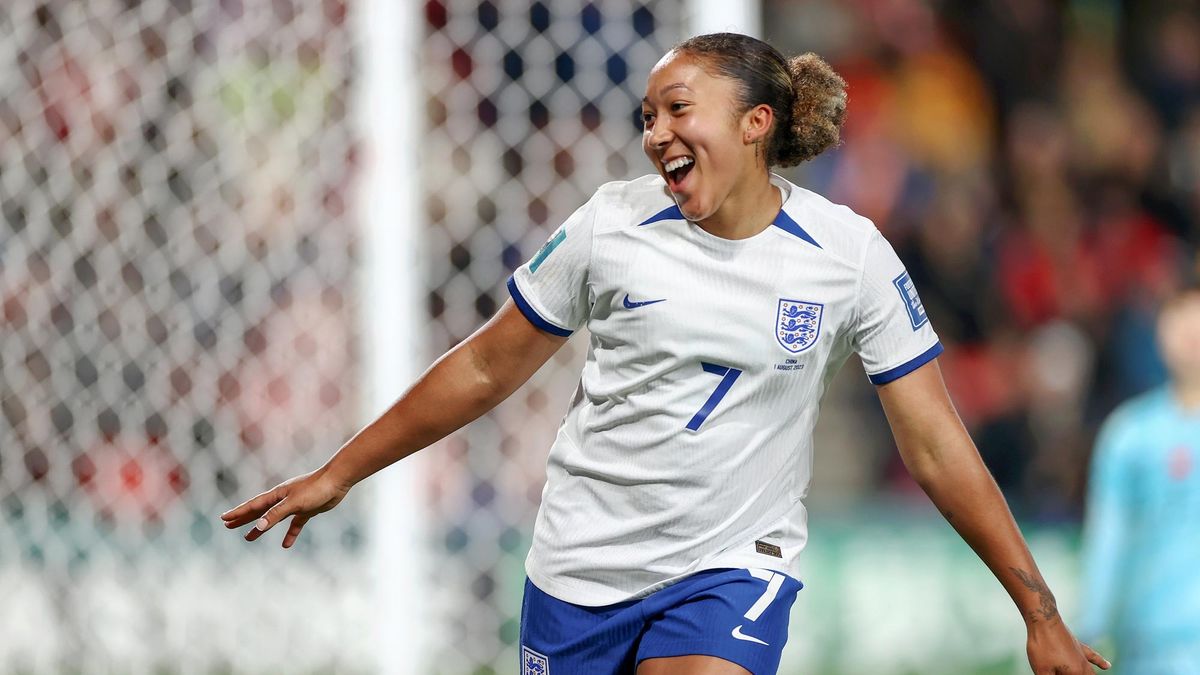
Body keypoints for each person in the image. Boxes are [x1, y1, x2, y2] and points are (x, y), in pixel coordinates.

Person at [221, 33, 1110, 675]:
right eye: (648, 116)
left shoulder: (850, 255)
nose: (656, 134)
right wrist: (342, 471)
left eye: (678, 109)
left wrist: (1038, 610)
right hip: (578, 569)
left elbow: (934, 443)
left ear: (757, 123)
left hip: (731, 568)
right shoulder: (609, 224)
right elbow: (489, 365)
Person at [1079, 285, 1200, 673]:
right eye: (1179, 317)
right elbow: (1107, 538)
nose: (1191, 332)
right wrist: (1090, 629)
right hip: (1150, 641)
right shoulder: (1129, 434)